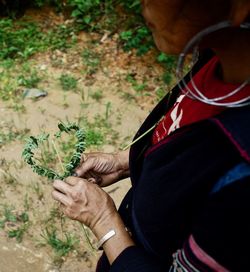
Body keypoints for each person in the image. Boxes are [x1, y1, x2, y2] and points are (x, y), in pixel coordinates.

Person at [52, 0, 250, 271]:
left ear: (240, 7)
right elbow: (183, 144)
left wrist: (103, 220)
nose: (141, 4)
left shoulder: (242, 176)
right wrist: (124, 162)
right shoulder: (219, 59)